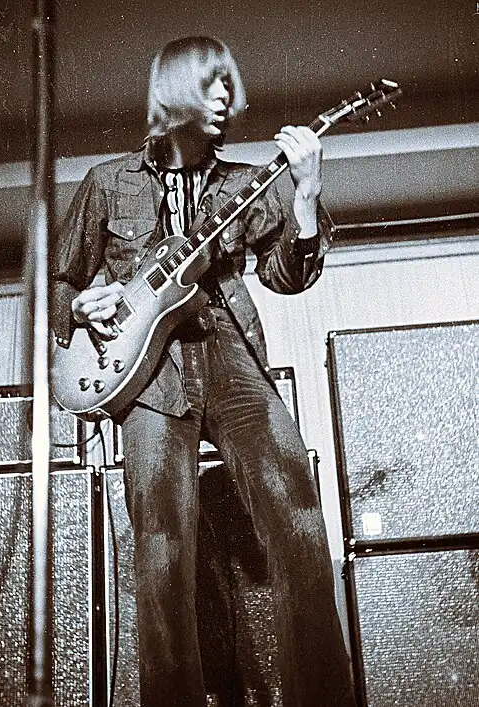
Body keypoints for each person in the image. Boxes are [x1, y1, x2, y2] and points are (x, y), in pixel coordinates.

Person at [52, 35, 355, 706]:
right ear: (175, 89)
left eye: (229, 84)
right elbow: (59, 280)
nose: (227, 96)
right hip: (146, 367)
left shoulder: (247, 184)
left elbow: (286, 276)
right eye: (213, 82)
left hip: (228, 348)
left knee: (299, 518)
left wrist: (306, 197)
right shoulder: (107, 182)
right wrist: (79, 305)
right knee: (161, 549)